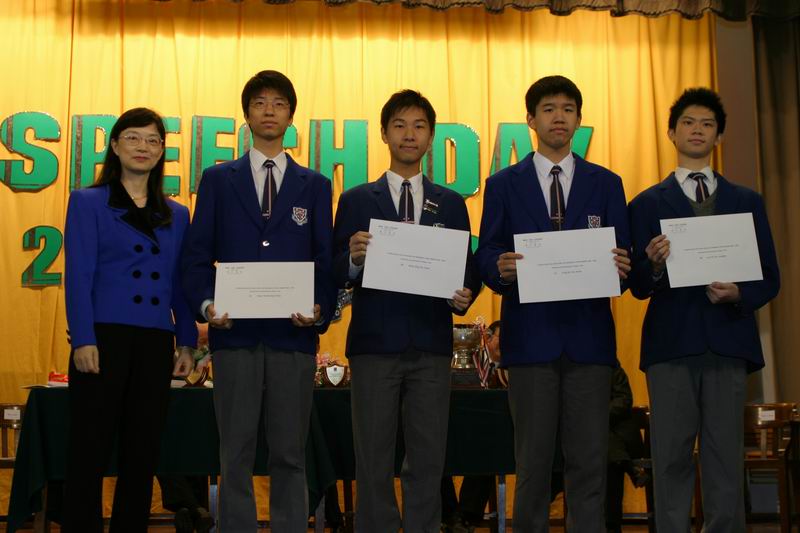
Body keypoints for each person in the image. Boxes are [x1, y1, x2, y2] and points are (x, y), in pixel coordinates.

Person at [181, 70, 335, 532]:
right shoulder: (217, 179)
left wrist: (319, 308)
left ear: (291, 116)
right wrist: (207, 307)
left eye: (279, 103)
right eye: (260, 103)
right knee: (235, 453)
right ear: (246, 115)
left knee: (290, 452)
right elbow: (196, 257)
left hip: (293, 337)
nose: (269, 111)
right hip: (235, 337)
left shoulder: (314, 184)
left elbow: (325, 260)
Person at [475, 75, 631, 532]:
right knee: (533, 463)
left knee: (589, 462)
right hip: (530, 340)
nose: (558, 117)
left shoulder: (607, 183)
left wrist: (624, 264)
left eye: (567, 109)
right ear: (530, 119)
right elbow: (486, 251)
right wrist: (498, 267)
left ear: (579, 119)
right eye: (548, 109)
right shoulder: (503, 184)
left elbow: (624, 256)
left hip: (589, 341)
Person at [628, 87, 780, 532]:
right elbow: (637, 285)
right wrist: (654, 265)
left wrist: (739, 293)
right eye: (689, 123)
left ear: (719, 137)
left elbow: (769, 276)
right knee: (670, 456)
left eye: (707, 124)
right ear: (671, 133)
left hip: (728, 342)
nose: (697, 130)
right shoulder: (646, 203)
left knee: (725, 457)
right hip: (671, 346)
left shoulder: (747, 201)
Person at [332, 89, 481, 532]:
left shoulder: (450, 203)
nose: (409, 134)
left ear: (431, 136)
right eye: (399, 125)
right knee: (372, 457)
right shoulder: (357, 199)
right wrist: (352, 259)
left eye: (419, 126)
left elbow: (467, 268)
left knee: (428, 457)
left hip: (431, 344)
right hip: (374, 345)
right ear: (384, 133)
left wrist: (464, 294)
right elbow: (333, 269)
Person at [63, 107, 198, 532]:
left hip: (155, 340)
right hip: (103, 338)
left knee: (142, 451)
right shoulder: (88, 202)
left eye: (153, 140)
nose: (144, 147)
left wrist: (187, 340)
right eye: (134, 138)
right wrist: (82, 338)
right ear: (115, 146)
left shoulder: (177, 213)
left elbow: (180, 283)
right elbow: (78, 275)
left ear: (162, 152)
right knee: (89, 448)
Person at [441, 321, 502, 533]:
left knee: (489, 455)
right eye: (501, 338)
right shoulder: (465, 360)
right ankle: (450, 516)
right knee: (432, 454)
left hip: (486, 436)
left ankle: (465, 517)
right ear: (487, 338)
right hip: (449, 432)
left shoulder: (512, 366)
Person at [604, 366, 646, 533]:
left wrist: (597, 416)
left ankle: (610, 525)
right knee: (610, 452)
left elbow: (624, 400)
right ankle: (630, 467)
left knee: (607, 450)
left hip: (617, 432)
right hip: (591, 438)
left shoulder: (612, 366)